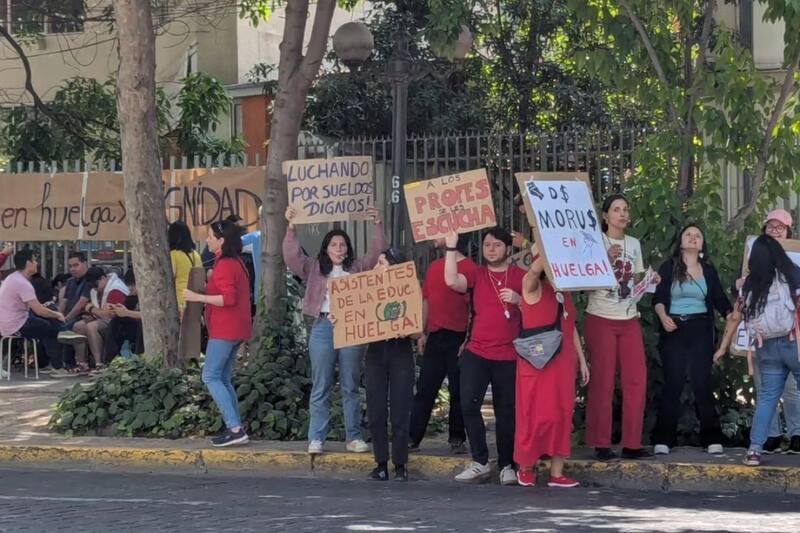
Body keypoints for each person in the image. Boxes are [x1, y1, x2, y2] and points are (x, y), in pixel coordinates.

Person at [283, 205, 387, 455]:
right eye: (334, 245)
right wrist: (291, 226)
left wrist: (377, 224)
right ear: (326, 249)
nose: (339, 249)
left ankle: (353, 437)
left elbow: (377, 250)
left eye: (342, 245)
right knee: (322, 384)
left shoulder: (358, 268)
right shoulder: (315, 268)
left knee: (350, 385)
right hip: (322, 327)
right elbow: (291, 256)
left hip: (351, 328)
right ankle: (316, 437)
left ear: (348, 249)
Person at [444, 228, 525, 485]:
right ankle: (480, 462)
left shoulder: (520, 276)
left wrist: (519, 300)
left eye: (497, 245)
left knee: (506, 411)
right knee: (468, 404)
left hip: (509, 353)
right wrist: (450, 248)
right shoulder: (477, 274)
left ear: (508, 249)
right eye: (488, 245)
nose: (491, 249)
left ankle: (507, 465)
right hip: (476, 352)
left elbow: (538, 306)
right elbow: (451, 281)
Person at [652, 224, 732, 455]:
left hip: (700, 328)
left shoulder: (708, 270)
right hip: (674, 326)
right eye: (688, 234)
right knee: (673, 382)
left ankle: (711, 437)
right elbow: (658, 297)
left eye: (698, 235)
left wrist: (731, 314)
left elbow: (719, 298)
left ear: (702, 243)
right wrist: (663, 315)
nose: (693, 238)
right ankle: (664, 438)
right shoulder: (669, 267)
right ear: (680, 240)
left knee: (702, 382)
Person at [725, 209, 800, 454]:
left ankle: (760, 446)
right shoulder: (789, 269)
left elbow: (740, 307)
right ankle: (774, 436)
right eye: (771, 225)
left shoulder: (757, 259)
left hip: (764, 340)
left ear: (789, 231)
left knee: (771, 393)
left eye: (781, 226)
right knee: (772, 389)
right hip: (787, 339)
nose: (775, 229)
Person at [515, 244, 590, 488]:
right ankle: (526, 466)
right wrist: (548, 249)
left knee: (561, 413)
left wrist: (581, 360)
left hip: (563, 361)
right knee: (533, 414)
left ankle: (557, 473)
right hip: (536, 363)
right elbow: (532, 273)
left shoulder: (563, 293)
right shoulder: (533, 286)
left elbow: (570, 328)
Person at [584, 194, 652, 460]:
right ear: (605, 216)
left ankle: (632, 443)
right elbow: (583, 284)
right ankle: (601, 443)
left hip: (629, 317)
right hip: (600, 316)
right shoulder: (595, 241)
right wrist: (605, 260)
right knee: (603, 379)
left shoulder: (634, 244)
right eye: (616, 209)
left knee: (636, 379)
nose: (622, 214)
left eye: (625, 209)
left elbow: (635, 282)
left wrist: (648, 281)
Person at [184, 219, 252, 447]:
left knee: (210, 376)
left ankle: (234, 427)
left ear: (221, 241)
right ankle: (236, 426)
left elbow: (228, 298)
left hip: (225, 328)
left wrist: (198, 297)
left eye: (211, 237)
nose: (207, 240)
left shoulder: (224, 265)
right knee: (223, 377)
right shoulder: (236, 262)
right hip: (236, 328)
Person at [408, 234, 474, 454]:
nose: (434, 236)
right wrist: (422, 333)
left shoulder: (471, 269)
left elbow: (474, 308)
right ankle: (412, 437)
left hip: (459, 336)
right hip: (435, 335)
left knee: (459, 390)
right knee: (426, 388)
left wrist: (469, 338)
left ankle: (457, 438)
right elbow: (427, 301)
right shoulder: (434, 267)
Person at [360, 248, 416, 482]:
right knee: (376, 410)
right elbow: (354, 321)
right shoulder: (365, 291)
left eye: (382, 262)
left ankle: (400, 464)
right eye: (377, 262)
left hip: (400, 350)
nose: (377, 266)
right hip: (375, 351)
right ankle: (381, 462)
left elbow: (418, 329)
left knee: (401, 409)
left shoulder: (408, 290)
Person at [0, 250, 66, 373]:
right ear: (27, 263)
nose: (36, 263)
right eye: (34, 260)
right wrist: (58, 314)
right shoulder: (23, 283)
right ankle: (59, 367)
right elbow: (39, 310)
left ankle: (45, 363)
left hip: (8, 323)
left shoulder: (12, 278)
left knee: (44, 324)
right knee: (50, 328)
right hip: (17, 324)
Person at [72, 267, 129, 372]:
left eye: (95, 285)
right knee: (78, 326)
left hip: (119, 323)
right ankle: (82, 363)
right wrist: (93, 312)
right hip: (102, 319)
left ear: (103, 278)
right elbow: (99, 312)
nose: (94, 288)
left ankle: (99, 364)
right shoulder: (95, 290)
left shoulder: (116, 289)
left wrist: (91, 309)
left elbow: (108, 315)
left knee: (91, 327)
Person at [104, 270, 143, 361]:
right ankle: (111, 359)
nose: (130, 288)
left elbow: (149, 316)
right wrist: (114, 308)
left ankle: (139, 357)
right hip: (132, 328)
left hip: (143, 328)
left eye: (133, 285)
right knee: (116, 322)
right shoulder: (132, 297)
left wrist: (127, 313)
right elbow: (125, 308)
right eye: (129, 285)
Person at [169, 221, 202, 312]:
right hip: (195, 299)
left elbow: (171, 276)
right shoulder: (196, 254)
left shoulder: (173, 254)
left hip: (180, 300)